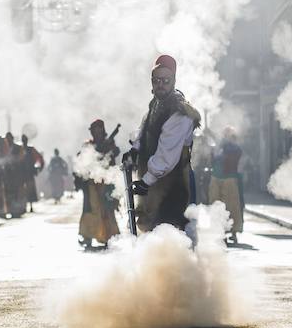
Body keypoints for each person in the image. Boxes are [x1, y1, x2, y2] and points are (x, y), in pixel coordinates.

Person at [128, 54, 201, 232]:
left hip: (174, 182)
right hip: (155, 181)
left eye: (166, 80)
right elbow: (144, 128)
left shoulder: (179, 113)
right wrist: (135, 149)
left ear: (174, 81)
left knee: (171, 234)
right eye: (156, 80)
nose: (160, 84)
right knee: (153, 230)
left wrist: (146, 181)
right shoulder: (155, 104)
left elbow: (167, 155)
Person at [75, 120, 121, 248]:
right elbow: (81, 159)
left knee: (106, 209)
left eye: (99, 130)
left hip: (105, 181)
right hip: (91, 182)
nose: (97, 133)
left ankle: (107, 236)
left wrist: (108, 149)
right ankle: (87, 236)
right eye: (95, 130)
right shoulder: (87, 145)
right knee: (90, 210)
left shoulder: (109, 143)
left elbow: (115, 154)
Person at [208, 126, 244, 243]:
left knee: (232, 206)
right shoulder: (219, 146)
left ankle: (233, 232)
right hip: (217, 178)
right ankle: (221, 232)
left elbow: (234, 156)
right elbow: (213, 160)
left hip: (229, 179)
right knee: (216, 205)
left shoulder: (234, 148)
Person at [13, 134, 44, 213]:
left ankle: (30, 206)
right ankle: (23, 206)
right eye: (23, 139)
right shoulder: (18, 148)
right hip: (21, 173)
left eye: (25, 139)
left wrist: (38, 168)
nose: (24, 141)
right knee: (21, 190)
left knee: (30, 190)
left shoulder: (31, 149)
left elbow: (39, 158)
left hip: (29, 173)